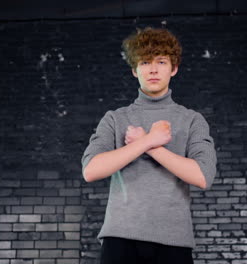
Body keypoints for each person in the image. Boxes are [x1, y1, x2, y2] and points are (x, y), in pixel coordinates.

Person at [81, 27, 217, 264]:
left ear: (173, 68)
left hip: (173, 240)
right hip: (120, 238)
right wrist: (148, 140)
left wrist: (152, 146)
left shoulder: (192, 120)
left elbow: (203, 177)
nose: (153, 69)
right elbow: (91, 170)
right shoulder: (115, 118)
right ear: (135, 70)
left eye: (161, 61)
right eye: (145, 62)